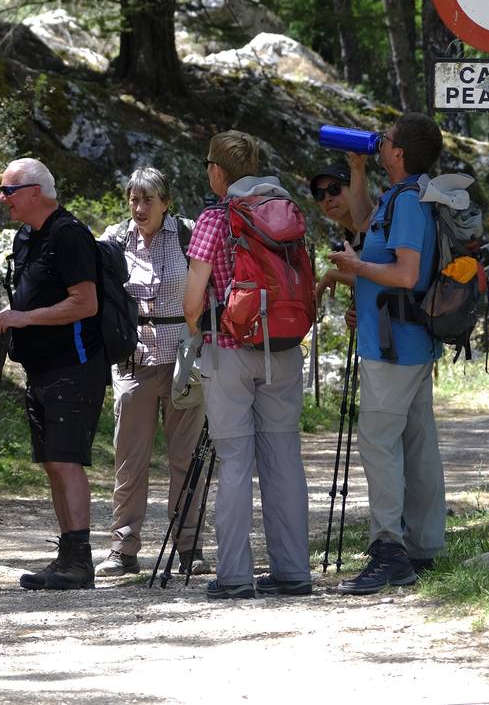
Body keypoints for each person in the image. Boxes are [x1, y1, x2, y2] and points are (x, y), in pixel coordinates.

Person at [182, 131, 312, 599]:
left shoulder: (214, 220)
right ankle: (294, 571)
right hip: (283, 348)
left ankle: (235, 576)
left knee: (235, 461)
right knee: (283, 459)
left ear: (217, 171)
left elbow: (193, 302)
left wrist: (198, 340)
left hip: (229, 348)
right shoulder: (285, 212)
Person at [328, 112, 447, 595]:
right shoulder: (404, 198)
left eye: (387, 140)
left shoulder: (409, 203)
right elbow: (362, 223)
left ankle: (388, 550)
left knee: (379, 446)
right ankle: (423, 546)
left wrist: (355, 266)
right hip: (411, 342)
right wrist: (356, 170)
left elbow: (404, 274)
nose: (381, 143)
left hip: (392, 346)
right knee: (418, 447)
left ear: (399, 153)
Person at [0, 157, 107, 591]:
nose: (2, 198)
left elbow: (85, 303)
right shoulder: (26, 237)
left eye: (8, 189)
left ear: (35, 191)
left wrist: (23, 320)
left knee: (66, 462)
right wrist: (2, 317)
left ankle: (80, 563)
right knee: (54, 462)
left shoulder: (69, 235)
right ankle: (68, 557)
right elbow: (29, 301)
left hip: (74, 367)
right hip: (42, 369)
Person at [93, 167, 210, 578]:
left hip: (185, 360)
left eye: (148, 200)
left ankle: (189, 546)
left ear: (166, 203)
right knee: (130, 459)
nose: (139, 208)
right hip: (132, 360)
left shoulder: (189, 234)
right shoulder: (114, 239)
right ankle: (123, 548)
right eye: (133, 199)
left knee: (185, 457)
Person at [310, 155, 372, 302]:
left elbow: (387, 279)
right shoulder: (351, 239)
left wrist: (332, 274)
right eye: (320, 194)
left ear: (355, 187)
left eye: (334, 189)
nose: (327, 198)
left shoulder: (377, 226)